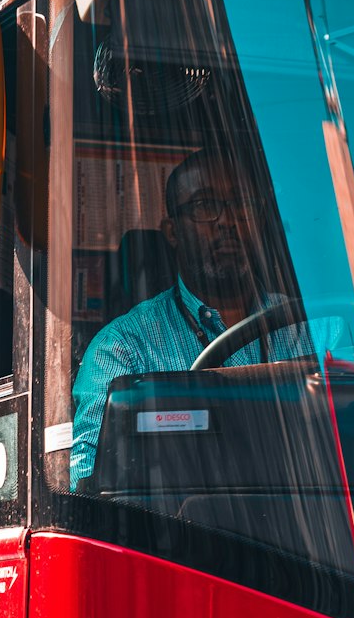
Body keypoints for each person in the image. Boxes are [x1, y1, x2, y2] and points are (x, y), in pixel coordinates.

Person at [70, 149, 318, 487]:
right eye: (205, 206)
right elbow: (94, 489)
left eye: (242, 205)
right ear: (172, 232)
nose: (228, 221)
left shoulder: (313, 329)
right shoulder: (123, 350)